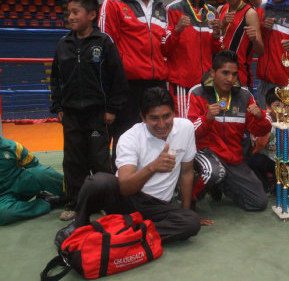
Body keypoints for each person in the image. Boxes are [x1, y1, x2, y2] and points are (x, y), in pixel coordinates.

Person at [59, 87, 206, 244]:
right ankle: (80, 225)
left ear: (174, 113)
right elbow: (125, 188)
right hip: (126, 201)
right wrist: (152, 167)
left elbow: (186, 173)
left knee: (190, 222)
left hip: (159, 206)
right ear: (143, 117)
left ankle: (123, 233)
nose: (162, 124)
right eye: (154, 118)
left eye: (167, 116)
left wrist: (186, 210)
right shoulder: (129, 138)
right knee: (97, 182)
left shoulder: (186, 128)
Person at [50, 0, 128, 221]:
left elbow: (118, 79)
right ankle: (74, 202)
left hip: (98, 114)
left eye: (76, 12)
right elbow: (55, 78)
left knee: (99, 159)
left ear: (92, 15)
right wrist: (58, 107)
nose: (71, 17)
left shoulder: (103, 43)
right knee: (73, 160)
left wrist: (112, 109)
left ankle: (104, 201)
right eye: (69, 13)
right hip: (71, 113)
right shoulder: (63, 44)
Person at [99, 0, 168, 166]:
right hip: (126, 84)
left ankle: (150, 185)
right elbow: (105, 46)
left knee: (154, 136)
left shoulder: (161, 8)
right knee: (123, 137)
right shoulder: (114, 3)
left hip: (155, 85)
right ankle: (119, 186)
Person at [188, 50, 272, 211]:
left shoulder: (245, 96)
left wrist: (260, 116)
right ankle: (188, 200)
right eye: (225, 73)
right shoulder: (197, 93)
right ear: (213, 73)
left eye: (234, 74)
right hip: (206, 153)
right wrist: (207, 118)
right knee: (214, 172)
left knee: (259, 203)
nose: (230, 79)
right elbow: (189, 132)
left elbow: (261, 130)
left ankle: (222, 185)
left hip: (234, 160)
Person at [164, 0, 222, 117]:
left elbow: (216, 50)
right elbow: (164, 48)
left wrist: (216, 35)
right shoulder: (173, 9)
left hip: (206, 83)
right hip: (182, 83)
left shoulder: (211, 11)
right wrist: (177, 30)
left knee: (204, 125)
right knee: (184, 127)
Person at [0, 137, 64, 225]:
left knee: (41, 173)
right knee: (3, 214)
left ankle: (77, 193)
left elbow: (34, 165)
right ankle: (47, 203)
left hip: (20, 184)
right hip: (2, 199)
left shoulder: (12, 147)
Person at [216, 0, 263, 90]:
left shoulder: (250, 13)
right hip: (219, 77)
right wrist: (222, 25)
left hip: (240, 78)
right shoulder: (220, 9)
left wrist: (254, 39)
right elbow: (216, 39)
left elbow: (260, 51)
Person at [246, 87, 288, 192]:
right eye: (277, 106)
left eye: (285, 106)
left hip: (284, 162)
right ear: (267, 106)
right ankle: (264, 186)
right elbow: (255, 142)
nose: (281, 110)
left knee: (285, 187)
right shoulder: (262, 120)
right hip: (267, 160)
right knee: (255, 160)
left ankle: (277, 186)